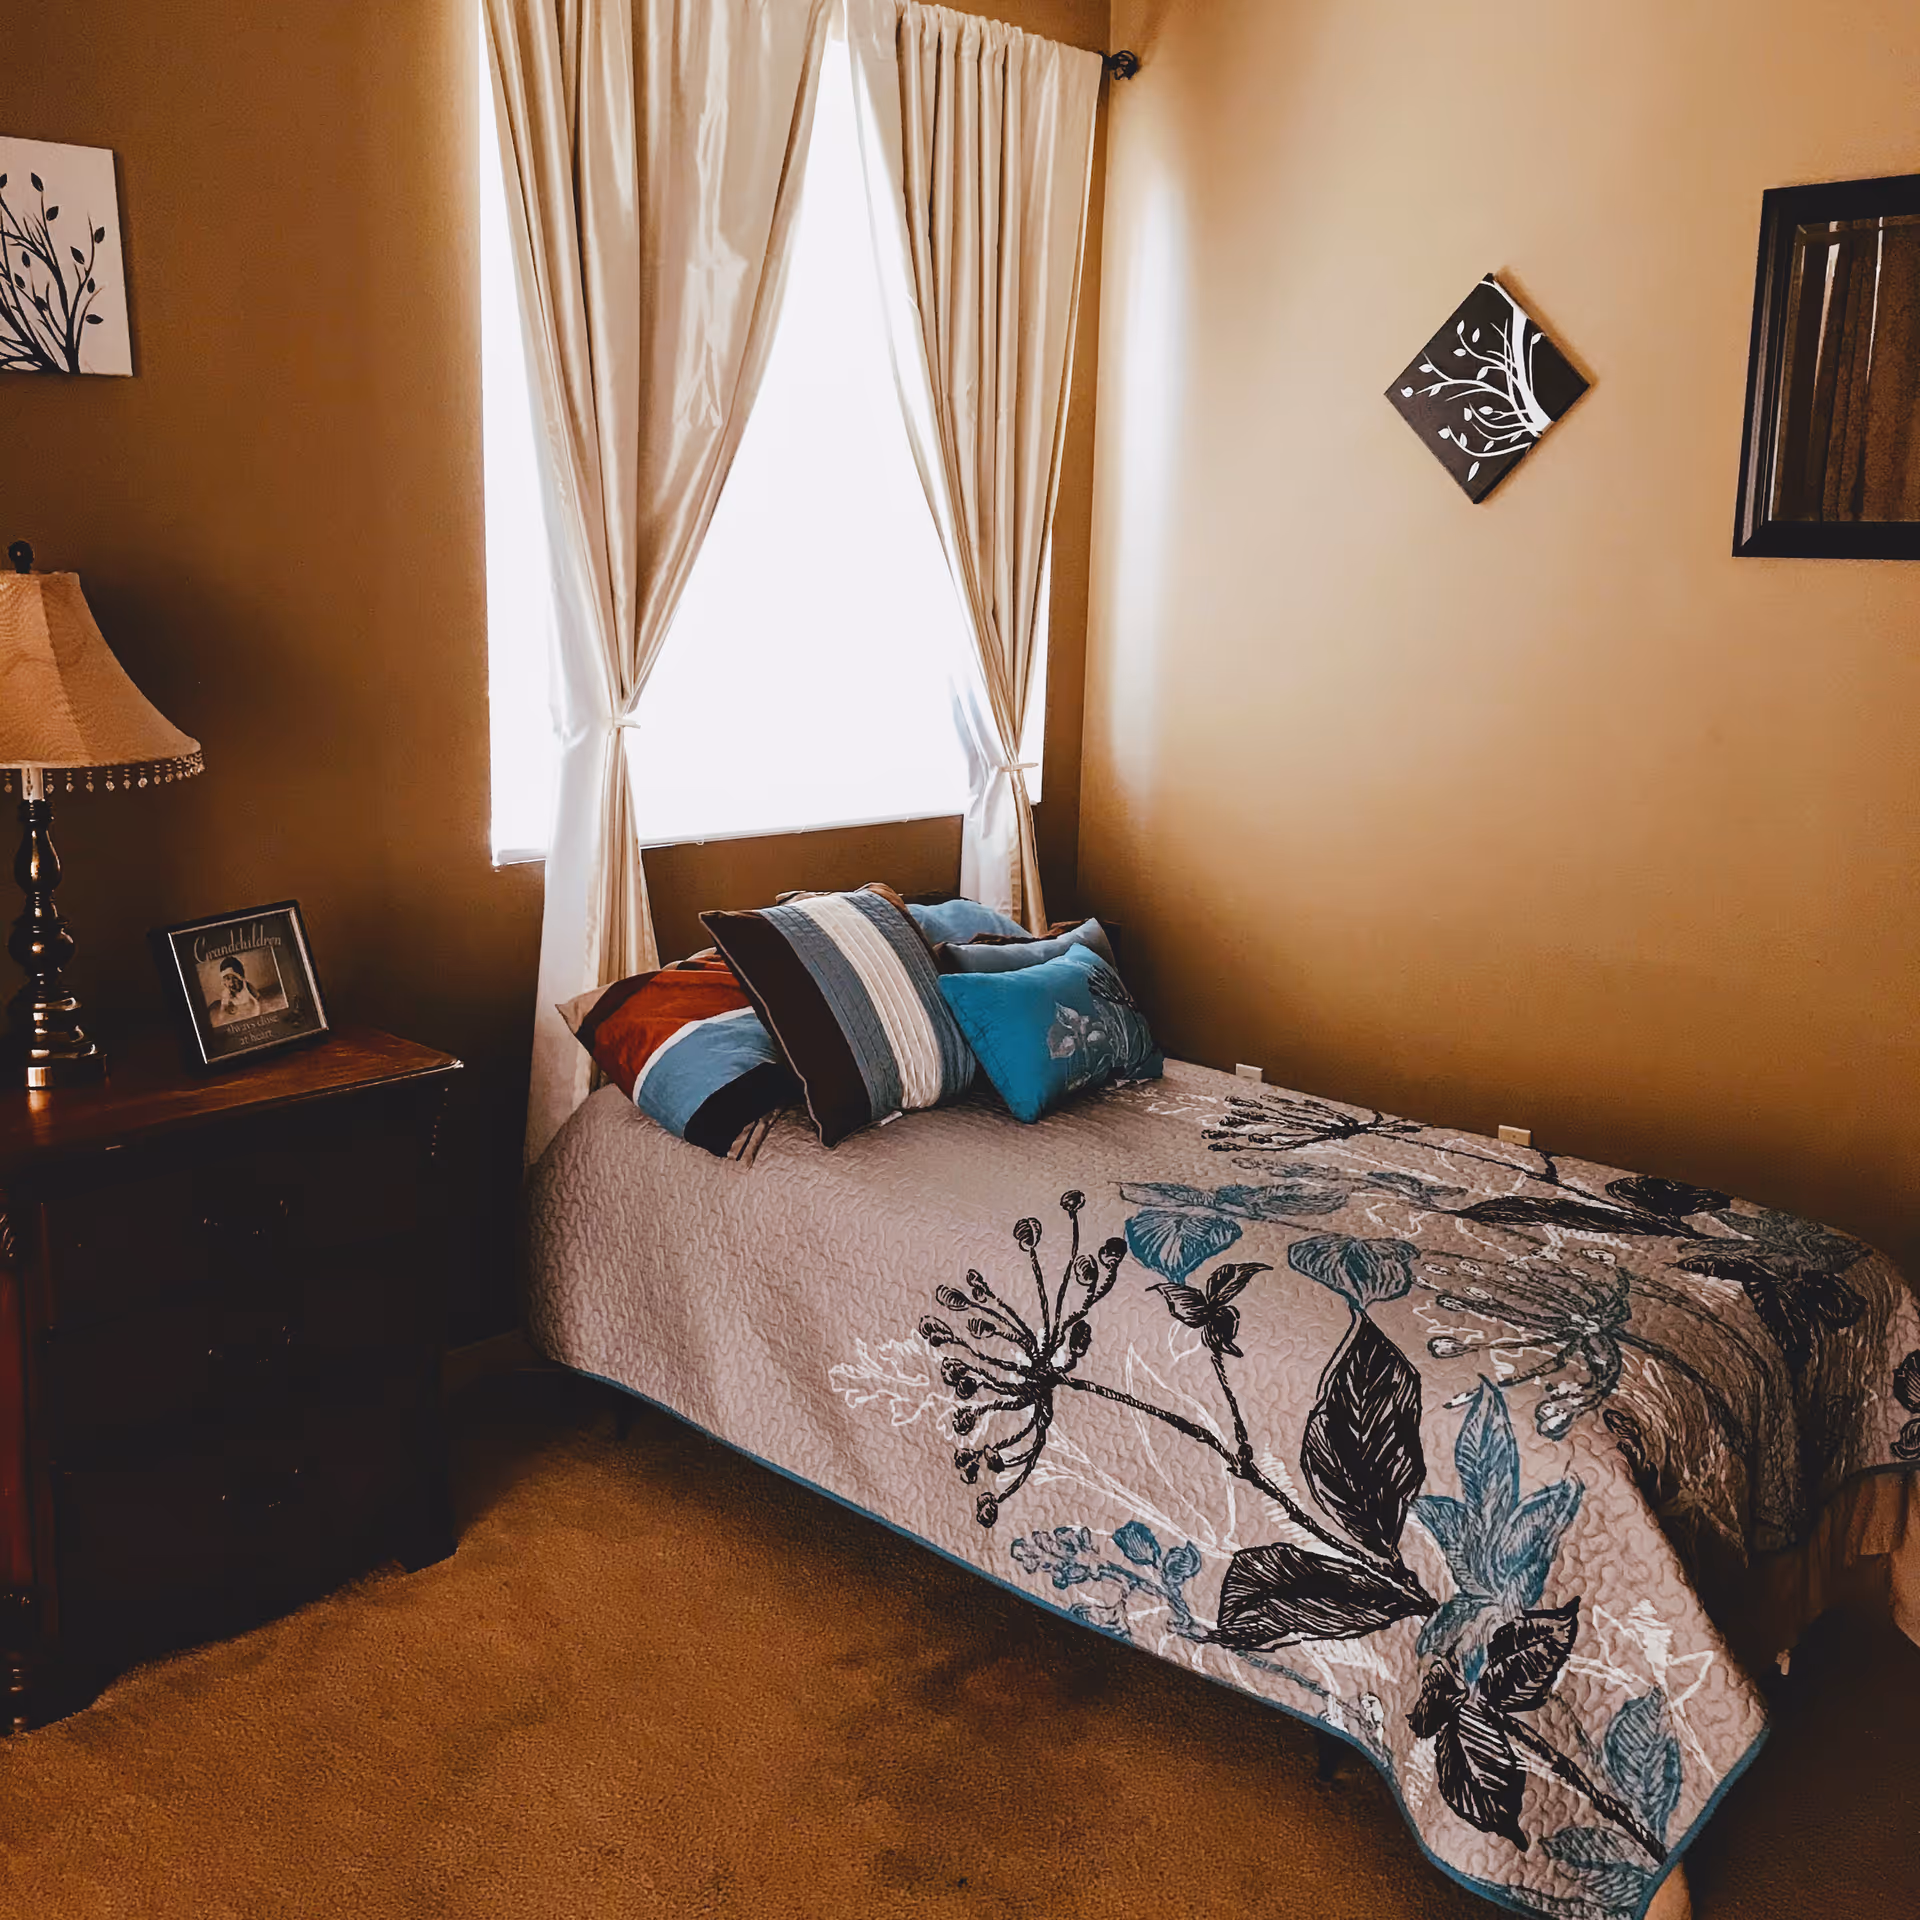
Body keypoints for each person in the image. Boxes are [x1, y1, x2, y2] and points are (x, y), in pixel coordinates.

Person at [207, 954, 263, 1027]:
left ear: (241, 978)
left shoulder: (247, 987)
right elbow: (222, 1012)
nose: (231, 983)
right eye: (227, 979)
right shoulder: (226, 993)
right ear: (224, 981)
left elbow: (259, 1000)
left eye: (234, 978)